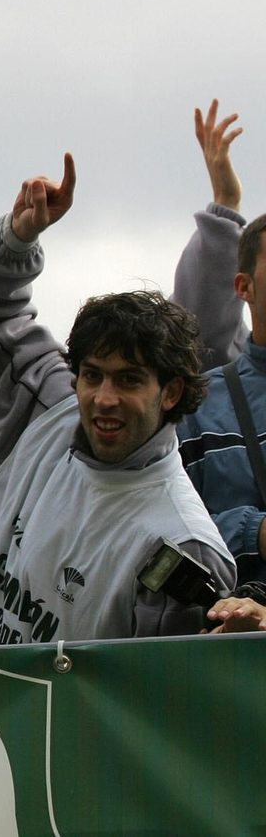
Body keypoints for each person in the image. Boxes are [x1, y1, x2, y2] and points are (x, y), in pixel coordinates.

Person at [0, 155, 235, 648]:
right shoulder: (45, 414)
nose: (103, 399)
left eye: (129, 380)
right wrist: (15, 241)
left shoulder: (181, 546)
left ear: (172, 391)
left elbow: (154, 704)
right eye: (91, 375)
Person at [172, 100, 265, 587]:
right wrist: (255, 533)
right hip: (228, 648)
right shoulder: (201, 405)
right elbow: (161, 532)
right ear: (244, 286)